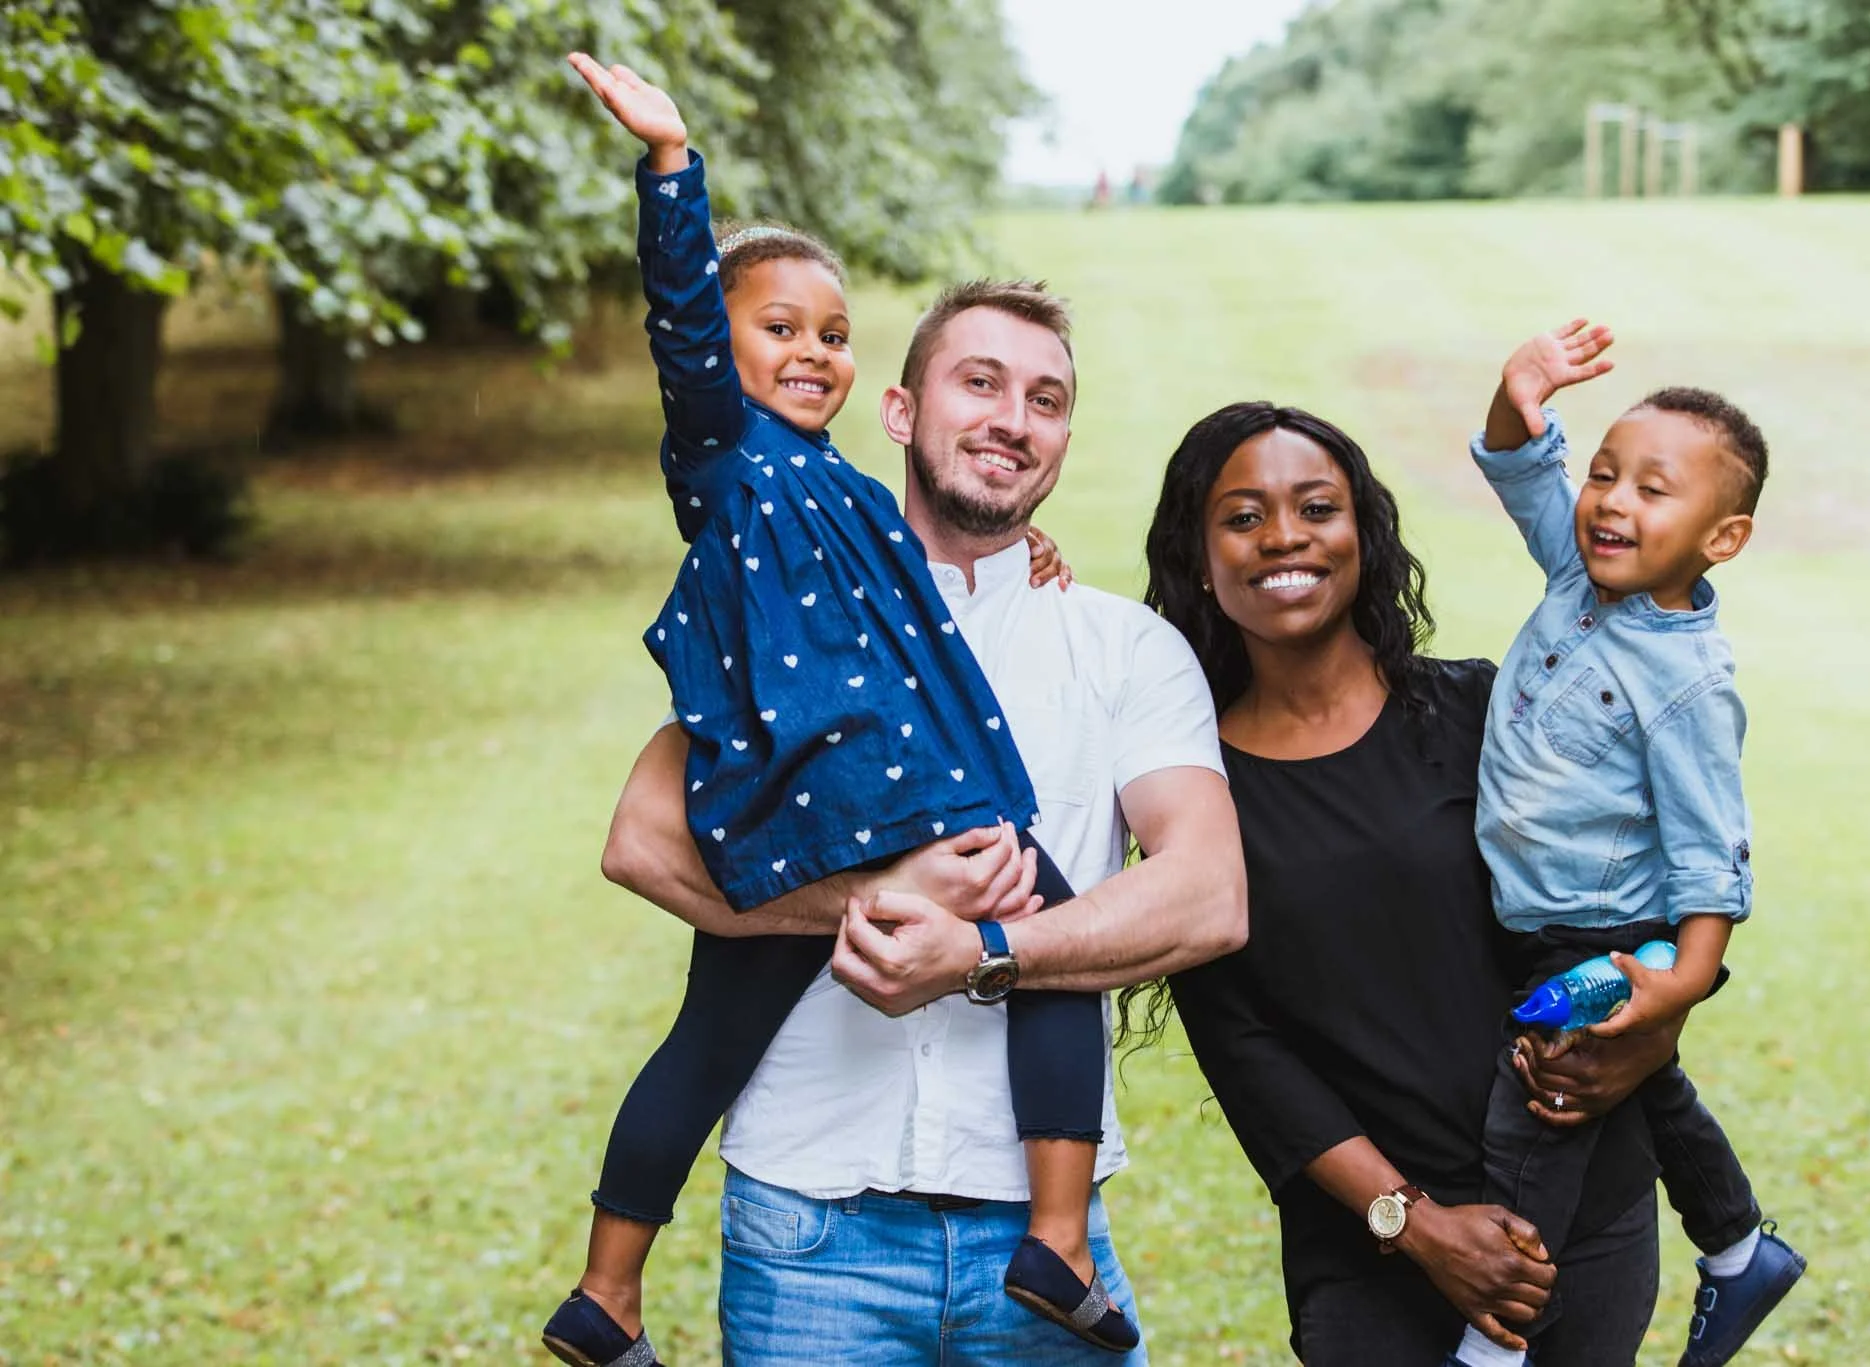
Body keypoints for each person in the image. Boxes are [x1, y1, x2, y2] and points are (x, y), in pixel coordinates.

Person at [546, 54, 1141, 1366]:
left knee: (712, 1033)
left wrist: (1033, 553)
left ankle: (606, 1292)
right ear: (720, 349)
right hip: (871, 782)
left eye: (830, 333)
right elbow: (682, 317)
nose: (811, 350)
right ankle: (1055, 1237)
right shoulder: (723, 456)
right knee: (1045, 933)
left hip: (789, 805)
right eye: (779, 327)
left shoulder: (850, 494)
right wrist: (670, 165)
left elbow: (923, 582)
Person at [594, 262, 1248, 1360]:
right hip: (807, 1231)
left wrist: (982, 949)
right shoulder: (794, 604)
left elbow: (1208, 895)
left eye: (1045, 399)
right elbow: (642, 840)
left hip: (1040, 1237)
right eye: (979, 382)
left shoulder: (1124, 647)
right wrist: (883, 892)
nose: (1012, 419)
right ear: (898, 412)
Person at [1147, 401, 1686, 1365]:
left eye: (1318, 507)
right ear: (1197, 555)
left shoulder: (1485, 708)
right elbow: (1244, 1047)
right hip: (1371, 1255)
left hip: (1580, 1217)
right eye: (1243, 517)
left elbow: (1617, 896)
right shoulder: (1190, 790)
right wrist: (1414, 1221)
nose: (1284, 536)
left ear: (1365, 534)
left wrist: (1645, 1035)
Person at [1451, 321, 1805, 1367]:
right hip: (1537, 916)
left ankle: (1496, 1337)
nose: (1610, 500)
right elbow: (1519, 466)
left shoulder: (1689, 682)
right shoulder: (1577, 573)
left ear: (1722, 537)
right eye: (1604, 473)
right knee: (1651, 1087)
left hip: (1603, 936)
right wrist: (1517, 393)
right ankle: (1739, 1248)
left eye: (1654, 489)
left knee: (1544, 1096)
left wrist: (1679, 983)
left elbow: (1710, 850)